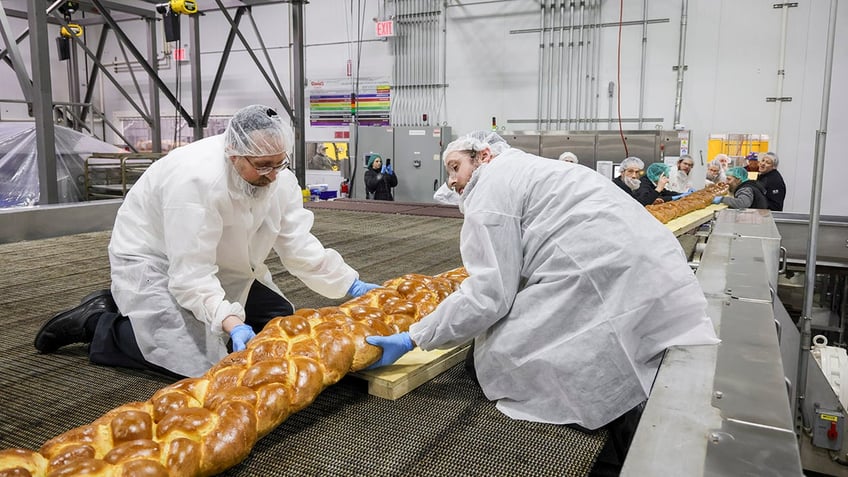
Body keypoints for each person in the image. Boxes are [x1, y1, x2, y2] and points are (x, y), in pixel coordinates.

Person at [365, 131, 718, 442]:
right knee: (619, 345)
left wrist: (414, 336)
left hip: (598, 271)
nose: (452, 180)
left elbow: (490, 295)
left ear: (484, 156)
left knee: (494, 357)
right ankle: (635, 420)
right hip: (649, 260)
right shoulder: (531, 169)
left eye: (455, 166)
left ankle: (624, 429)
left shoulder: (491, 188)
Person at [34, 104, 380, 378]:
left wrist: (351, 284)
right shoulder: (196, 183)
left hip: (217, 261)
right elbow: (191, 274)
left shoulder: (276, 177)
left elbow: (297, 243)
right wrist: (230, 322)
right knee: (197, 361)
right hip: (157, 260)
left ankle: (135, 309)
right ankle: (98, 323)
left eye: (280, 164)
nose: (273, 175)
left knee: (278, 319)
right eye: (263, 166)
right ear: (234, 155)